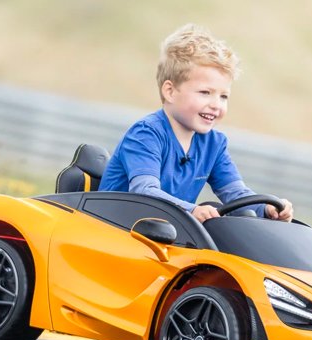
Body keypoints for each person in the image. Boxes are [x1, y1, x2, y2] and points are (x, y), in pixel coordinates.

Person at [99, 24, 293, 223]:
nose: (215, 105)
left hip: (161, 232)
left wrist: (267, 208)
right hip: (114, 229)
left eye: (223, 96)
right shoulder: (146, 134)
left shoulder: (214, 144)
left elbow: (235, 193)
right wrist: (191, 210)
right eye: (205, 93)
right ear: (170, 92)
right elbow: (144, 192)